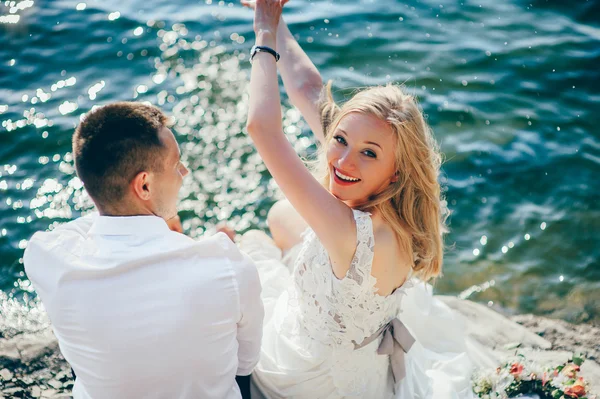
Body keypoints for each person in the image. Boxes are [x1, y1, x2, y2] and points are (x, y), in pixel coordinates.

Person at [237, 0, 479, 397]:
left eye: (369, 152)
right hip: (363, 371)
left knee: (250, 247)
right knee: (283, 216)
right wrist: (273, 14)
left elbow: (261, 128)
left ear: (396, 169)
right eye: (340, 140)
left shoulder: (352, 232)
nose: (344, 161)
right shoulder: (401, 204)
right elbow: (307, 88)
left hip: (306, 380)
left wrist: (264, 32)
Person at [23, 102, 264, 399]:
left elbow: (79, 227)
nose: (184, 172)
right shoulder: (227, 266)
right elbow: (246, 363)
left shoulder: (46, 259)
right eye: (177, 164)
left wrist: (134, 211)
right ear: (145, 185)